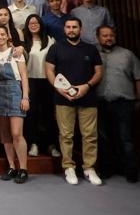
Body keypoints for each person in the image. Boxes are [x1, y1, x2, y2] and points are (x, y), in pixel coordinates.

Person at [45, 17, 103, 186]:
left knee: (90, 136)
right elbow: (49, 70)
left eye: (74, 27)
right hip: (63, 98)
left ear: (81, 29)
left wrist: (87, 86)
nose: (71, 30)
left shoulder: (91, 49)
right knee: (66, 135)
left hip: (88, 98)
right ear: (64, 30)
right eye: (68, 27)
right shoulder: (56, 48)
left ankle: (89, 168)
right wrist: (59, 89)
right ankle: (68, 166)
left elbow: (98, 72)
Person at [95, 25, 140, 183]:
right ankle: (107, 169)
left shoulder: (128, 55)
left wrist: (138, 100)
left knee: (126, 138)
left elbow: (138, 79)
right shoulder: (94, 55)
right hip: (101, 103)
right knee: (104, 139)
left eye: (111, 35)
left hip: (124, 103)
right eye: (104, 36)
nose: (108, 38)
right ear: (98, 38)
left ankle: (131, 171)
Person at [0, 26, 30, 184]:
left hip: (14, 90)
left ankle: (23, 168)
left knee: (16, 133)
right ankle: (12, 166)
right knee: (5, 134)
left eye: (2, 34)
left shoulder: (16, 53)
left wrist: (25, 97)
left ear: (8, 36)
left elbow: (24, 76)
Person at [22, 14, 60, 158]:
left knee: (48, 114)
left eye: (36, 22)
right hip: (30, 81)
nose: (33, 25)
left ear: (41, 24)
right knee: (31, 115)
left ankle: (51, 144)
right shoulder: (24, 42)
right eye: (30, 23)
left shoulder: (50, 41)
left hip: (47, 81)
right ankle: (33, 143)